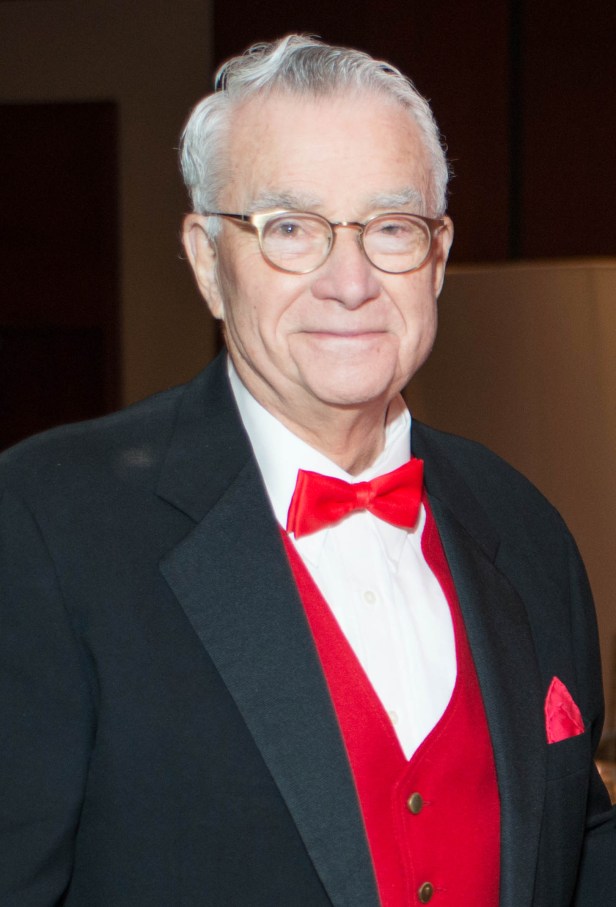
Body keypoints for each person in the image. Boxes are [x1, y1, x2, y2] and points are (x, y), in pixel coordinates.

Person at [1, 34, 614, 907]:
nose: (351, 280)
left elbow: (581, 842)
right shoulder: (45, 527)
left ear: (437, 257)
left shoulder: (525, 527)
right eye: (291, 229)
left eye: (391, 227)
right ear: (210, 261)